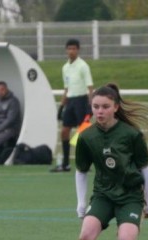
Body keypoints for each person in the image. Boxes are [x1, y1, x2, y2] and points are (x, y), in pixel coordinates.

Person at [61, 83, 148, 240]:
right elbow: (82, 171)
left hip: (130, 196)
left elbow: (145, 167)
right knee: (87, 231)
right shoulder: (86, 137)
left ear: (115, 107)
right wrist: (81, 202)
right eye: (95, 107)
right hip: (103, 195)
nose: (100, 111)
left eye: (105, 106)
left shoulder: (131, 134)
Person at [50, 38, 94, 173]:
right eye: (69, 48)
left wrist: (90, 105)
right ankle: (65, 163)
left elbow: (90, 87)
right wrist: (61, 106)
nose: (71, 51)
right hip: (70, 101)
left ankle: (86, 162)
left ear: (78, 50)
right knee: (64, 131)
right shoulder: (65, 67)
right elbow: (66, 88)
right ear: (66, 50)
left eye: (74, 48)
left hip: (82, 100)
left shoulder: (83, 66)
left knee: (82, 133)